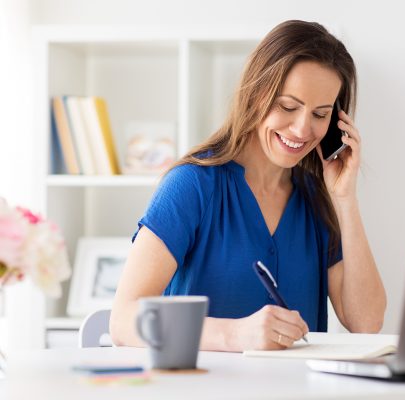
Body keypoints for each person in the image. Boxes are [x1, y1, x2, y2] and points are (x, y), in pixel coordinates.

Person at [110, 20, 387, 352]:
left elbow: (366, 322)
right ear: (257, 95)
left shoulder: (317, 199)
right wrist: (234, 335)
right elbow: (123, 320)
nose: (302, 129)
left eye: (320, 114)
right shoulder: (191, 185)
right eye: (288, 106)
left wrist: (345, 198)